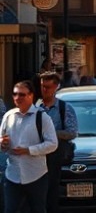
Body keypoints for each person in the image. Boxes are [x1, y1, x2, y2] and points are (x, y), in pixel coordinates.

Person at [0, 80, 58, 213]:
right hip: (12, 174)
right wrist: (3, 144)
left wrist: (29, 150)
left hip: (36, 174)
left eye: (22, 94)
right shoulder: (9, 116)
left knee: (37, 209)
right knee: (10, 209)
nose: (17, 98)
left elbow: (53, 144)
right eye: (15, 94)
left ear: (31, 95)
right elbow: (2, 140)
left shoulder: (42, 117)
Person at [37, 73, 78, 213]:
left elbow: (72, 132)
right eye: (42, 86)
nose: (44, 90)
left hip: (54, 157)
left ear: (55, 87)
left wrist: (51, 134)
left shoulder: (64, 108)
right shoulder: (36, 107)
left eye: (48, 87)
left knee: (52, 190)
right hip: (36, 156)